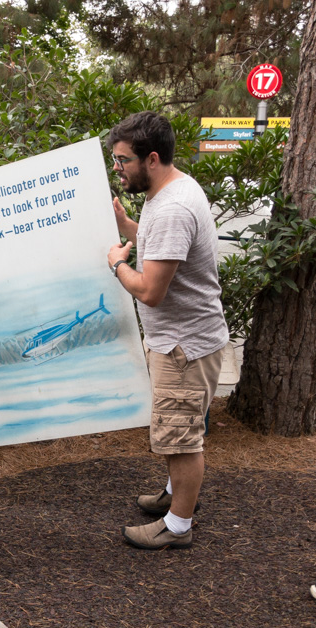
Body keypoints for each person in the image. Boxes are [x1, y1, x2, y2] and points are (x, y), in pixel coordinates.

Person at [106, 111, 229, 550]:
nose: (117, 169)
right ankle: (174, 495)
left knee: (181, 438)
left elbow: (151, 290)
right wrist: (131, 231)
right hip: (187, 340)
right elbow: (166, 250)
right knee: (179, 430)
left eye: (123, 161)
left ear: (151, 158)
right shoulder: (173, 188)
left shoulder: (172, 207)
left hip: (183, 348)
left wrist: (118, 264)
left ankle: (178, 526)